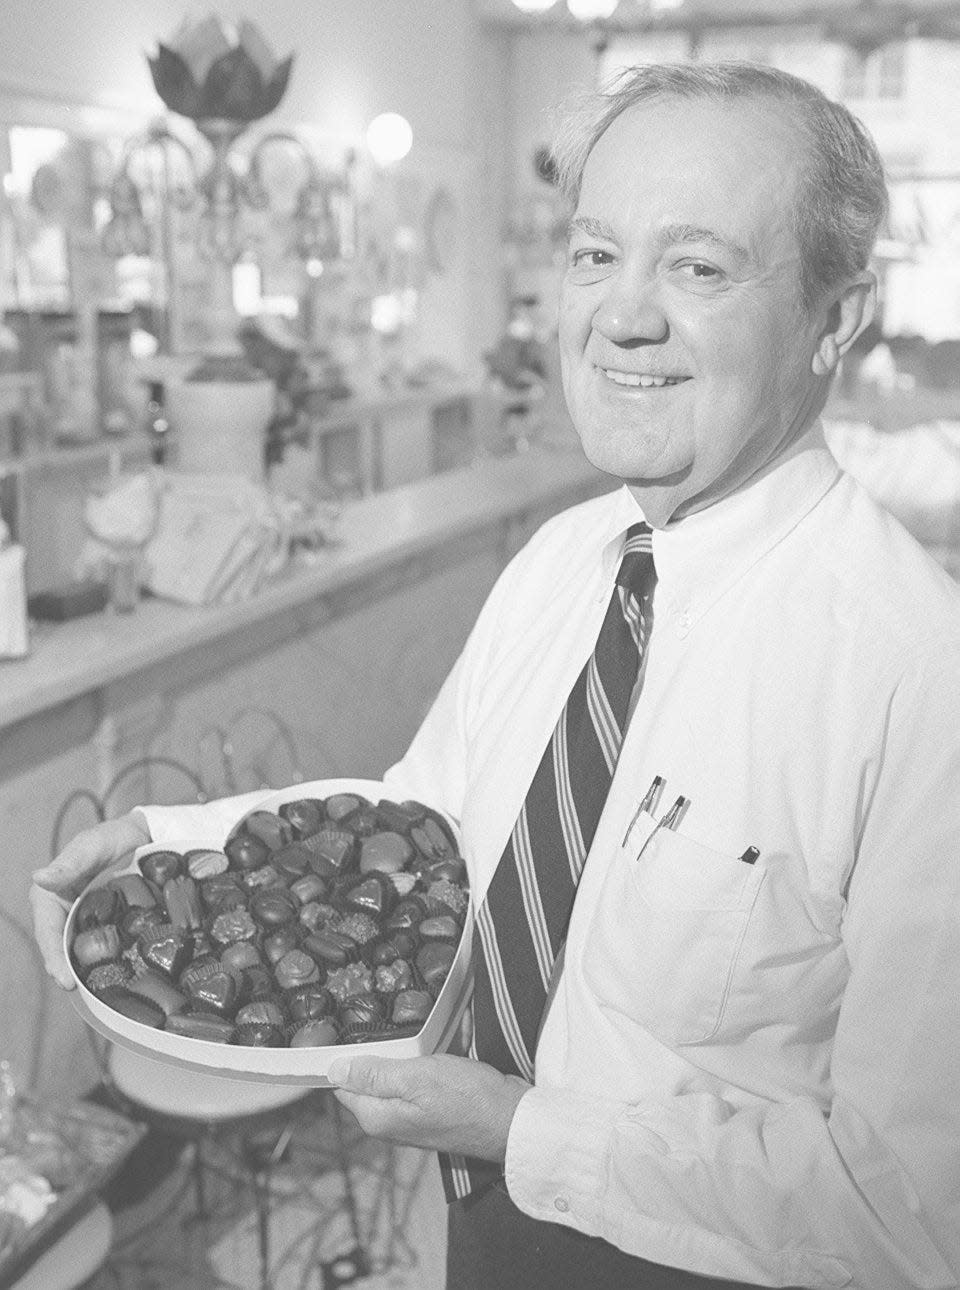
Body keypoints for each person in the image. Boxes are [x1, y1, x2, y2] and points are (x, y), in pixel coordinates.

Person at [31, 62, 960, 1290]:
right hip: (482, 1228)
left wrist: (520, 1131)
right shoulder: (564, 560)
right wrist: (169, 839)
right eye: (594, 256)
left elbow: (914, 1215)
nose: (620, 317)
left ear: (834, 318)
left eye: (698, 267)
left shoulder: (916, 679)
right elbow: (432, 825)